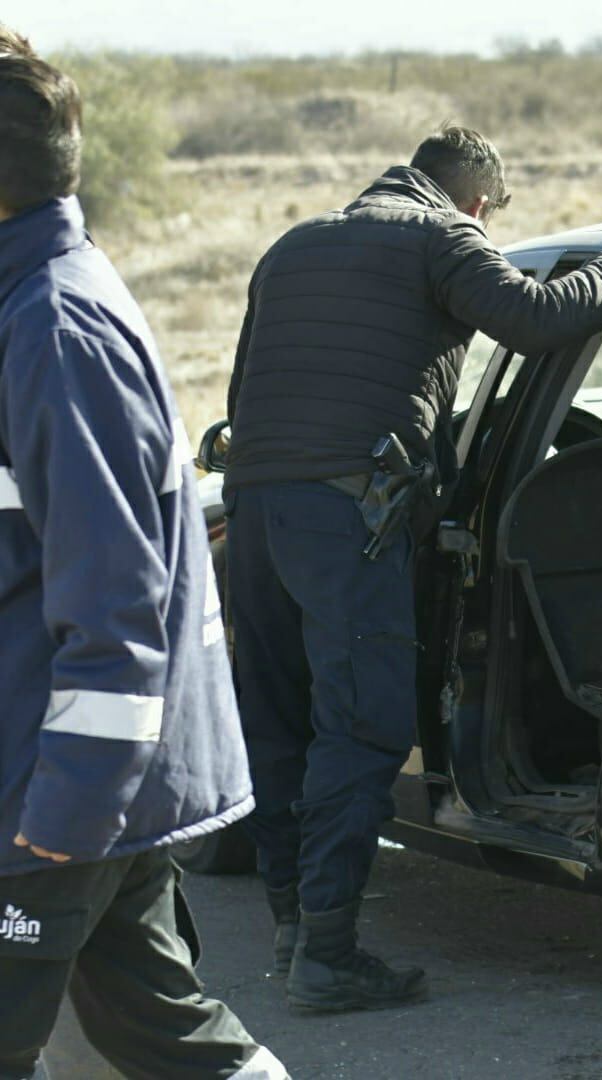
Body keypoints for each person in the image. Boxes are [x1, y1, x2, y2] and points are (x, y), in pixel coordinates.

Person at [223, 124, 602, 1013]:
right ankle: (327, 954)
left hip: (255, 510)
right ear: (477, 201)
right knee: (360, 726)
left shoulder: (292, 248)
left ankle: (292, 928)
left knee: (278, 721)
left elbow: (247, 390)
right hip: (347, 515)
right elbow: (536, 320)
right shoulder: (442, 234)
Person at [0, 28, 287, 1080]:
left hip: (54, 797)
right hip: (70, 790)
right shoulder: (30, 306)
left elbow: (118, 607)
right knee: (156, 1031)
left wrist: (63, 819)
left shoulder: (55, 328)